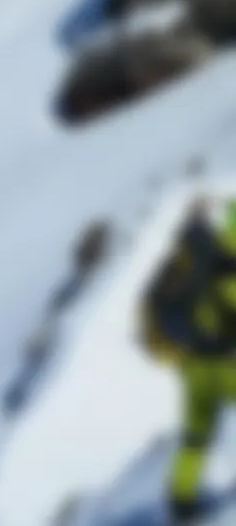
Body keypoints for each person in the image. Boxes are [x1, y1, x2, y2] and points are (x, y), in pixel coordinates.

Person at [162, 198, 236, 523]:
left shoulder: (195, 263)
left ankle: (182, 501)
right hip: (225, 361)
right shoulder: (227, 264)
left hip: (193, 364)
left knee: (196, 435)